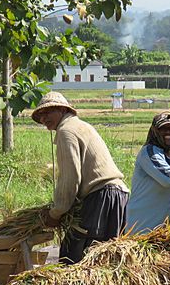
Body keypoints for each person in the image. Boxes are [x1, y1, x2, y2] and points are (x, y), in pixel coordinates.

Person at [32, 91, 129, 264]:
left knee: (74, 257)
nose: (44, 118)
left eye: (48, 112)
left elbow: (70, 179)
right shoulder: (80, 126)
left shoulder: (66, 131)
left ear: (62, 110)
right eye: (40, 115)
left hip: (102, 197)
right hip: (117, 195)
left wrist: (56, 213)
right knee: (106, 260)